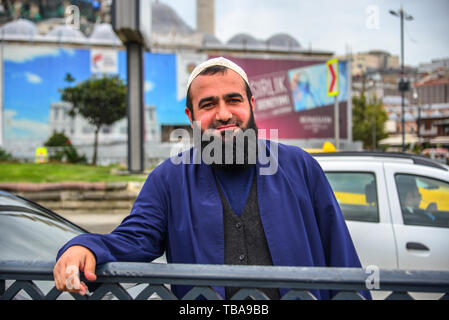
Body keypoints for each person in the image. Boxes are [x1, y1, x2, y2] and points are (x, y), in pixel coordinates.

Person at [53, 57, 371, 300]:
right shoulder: (169, 179)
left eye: (233, 100)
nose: (222, 114)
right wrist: (86, 247)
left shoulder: (300, 167)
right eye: (208, 105)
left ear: (251, 105)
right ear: (191, 117)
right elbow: (136, 238)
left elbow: (341, 258)